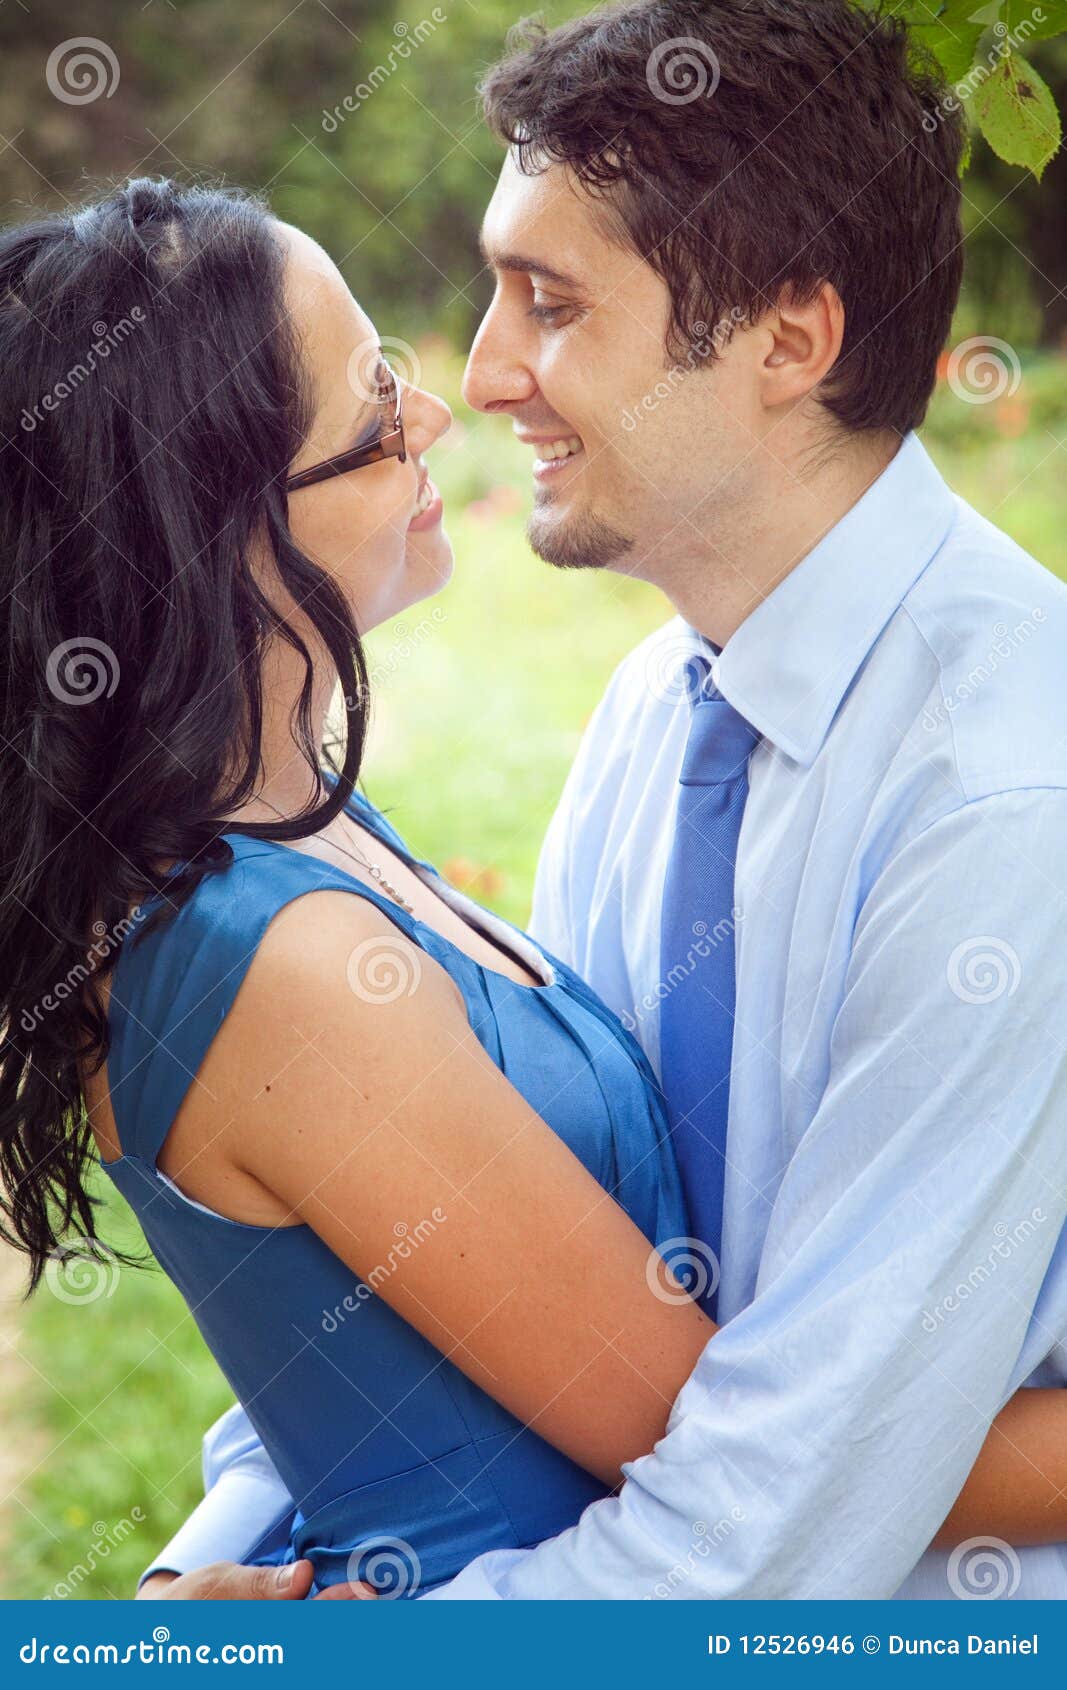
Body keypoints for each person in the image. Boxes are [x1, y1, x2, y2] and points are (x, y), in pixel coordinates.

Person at [129, 0, 1067, 1600]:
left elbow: (783, 1516)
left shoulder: (1000, 799)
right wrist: (206, 1576)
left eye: (550, 304)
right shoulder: (664, 707)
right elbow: (472, 1246)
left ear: (789, 340)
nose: (481, 375)